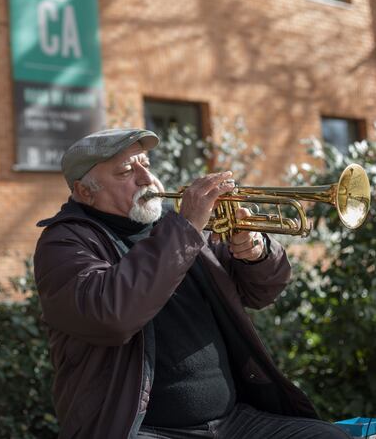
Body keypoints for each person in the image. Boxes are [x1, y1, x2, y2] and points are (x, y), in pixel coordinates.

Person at [33, 128, 349, 439]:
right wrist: (185, 228)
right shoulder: (64, 243)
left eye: (146, 163)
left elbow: (260, 293)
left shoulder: (176, 224)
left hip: (233, 421)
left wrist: (256, 253)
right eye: (126, 170)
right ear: (86, 190)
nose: (146, 178)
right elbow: (113, 315)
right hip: (141, 428)